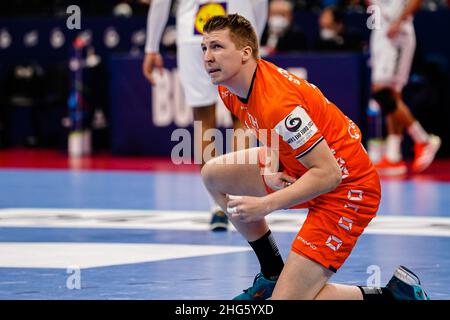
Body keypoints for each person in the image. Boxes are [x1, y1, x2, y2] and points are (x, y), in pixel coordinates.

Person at [200, 13, 429, 300]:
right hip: (303, 168)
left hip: (348, 188)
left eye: (217, 47)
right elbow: (272, 132)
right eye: (205, 48)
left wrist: (265, 205)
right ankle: (272, 273)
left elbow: (329, 174)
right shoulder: (230, 88)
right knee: (213, 174)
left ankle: (392, 297)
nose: (208, 57)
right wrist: (272, 164)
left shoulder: (278, 102)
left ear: (246, 53)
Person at [142, 0, 268, 231]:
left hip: (195, 33)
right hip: (238, 27)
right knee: (243, 116)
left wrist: (151, 46)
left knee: (203, 120)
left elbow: (161, 2)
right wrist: (254, 38)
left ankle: (218, 206)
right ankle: (241, 202)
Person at [368, 0, 441, 176]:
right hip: (381, 34)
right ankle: (393, 157)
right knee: (393, 97)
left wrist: (399, 21)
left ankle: (423, 139)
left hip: (397, 36)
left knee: (381, 92)